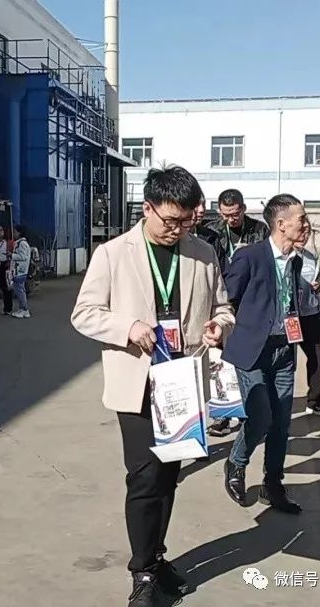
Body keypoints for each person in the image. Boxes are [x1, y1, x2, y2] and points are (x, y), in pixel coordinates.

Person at [71, 165, 235, 607]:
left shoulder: (203, 252)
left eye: (186, 221)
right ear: (147, 208)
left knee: (169, 476)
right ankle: (142, 571)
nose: (178, 230)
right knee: (145, 478)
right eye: (170, 221)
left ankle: (157, 557)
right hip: (138, 383)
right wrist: (128, 327)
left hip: (185, 383)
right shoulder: (112, 254)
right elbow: (84, 313)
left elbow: (223, 307)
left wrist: (220, 327)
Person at [222, 194, 307, 514]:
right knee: (260, 416)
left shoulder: (296, 259)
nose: (306, 223)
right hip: (252, 350)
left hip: (284, 348)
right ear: (281, 224)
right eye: (301, 218)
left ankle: (273, 484)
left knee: (281, 422)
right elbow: (226, 299)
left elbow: (291, 300)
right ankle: (236, 462)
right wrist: (219, 330)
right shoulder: (250, 256)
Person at [294, 221, 320, 416]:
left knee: (316, 357)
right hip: (289, 317)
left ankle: (315, 399)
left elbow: (317, 280)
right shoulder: (281, 256)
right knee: (286, 362)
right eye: (300, 231)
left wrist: (317, 286)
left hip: (310, 313)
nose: (303, 236)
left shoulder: (311, 256)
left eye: (307, 232)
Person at [204, 188, 270, 275]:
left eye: (235, 215)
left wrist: (251, 252)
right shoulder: (211, 230)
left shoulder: (260, 229)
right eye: (226, 215)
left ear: (244, 209)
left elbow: (267, 258)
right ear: (220, 211)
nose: (231, 219)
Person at [10, 224, 31, 319]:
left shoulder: (22, 244)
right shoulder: (19, 243)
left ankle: (25, 309)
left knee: (20, 290)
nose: (14, 234)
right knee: (18, 290)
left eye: (15, 232)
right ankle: (21, 308)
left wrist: (12, 255)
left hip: (20, 271)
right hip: (18, 270)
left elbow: (23, 256)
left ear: (19, 233)